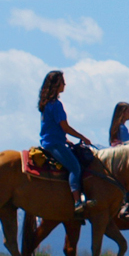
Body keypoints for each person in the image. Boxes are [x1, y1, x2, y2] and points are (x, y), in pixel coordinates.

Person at [38, 70, 96, 213]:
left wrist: (65, 140)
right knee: (75, 167)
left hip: (53, 141)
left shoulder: (46, 104)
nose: (65, 84)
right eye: (63, 81)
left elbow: (52, 126)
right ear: (57, 84)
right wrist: (82, 137)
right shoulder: (56, 104)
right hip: (54, 143)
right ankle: (77, 202)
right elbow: (64, 126)